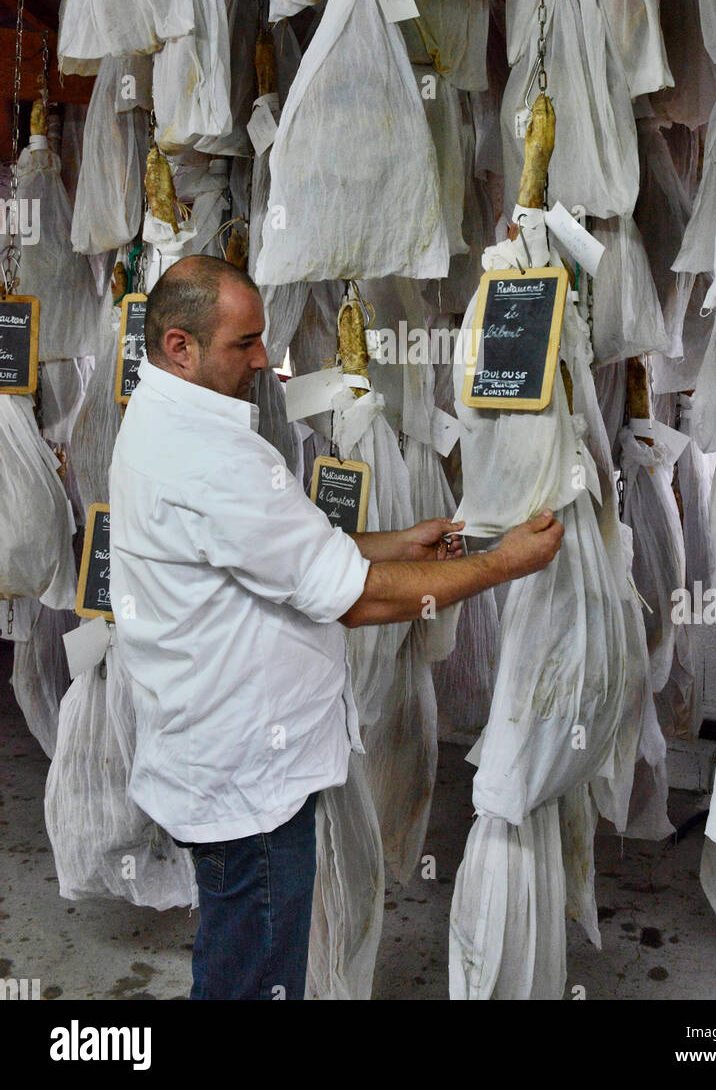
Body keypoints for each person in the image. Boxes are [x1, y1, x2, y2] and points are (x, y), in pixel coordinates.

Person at [109, 255, 563, 1000]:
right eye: (244, 343)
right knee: (252, 976)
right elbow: (354, 600)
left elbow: (275, 558)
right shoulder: (210, 456)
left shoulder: (165, 420)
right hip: (246, 776)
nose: (263, 359)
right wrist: (503, 566)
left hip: (221, 758)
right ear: (179, 346)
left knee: (241, 960)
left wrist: (391, 544)